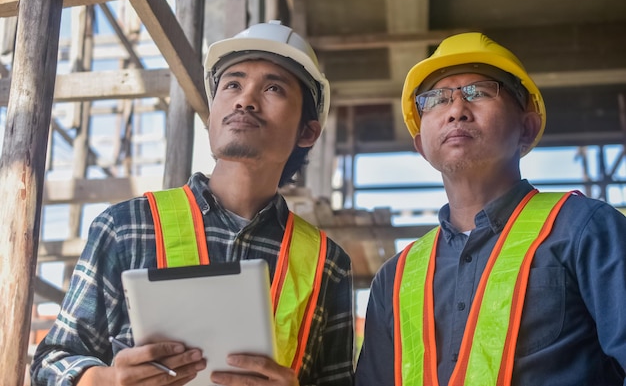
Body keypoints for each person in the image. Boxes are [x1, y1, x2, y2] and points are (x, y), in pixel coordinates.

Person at [31, 20, 354, 386]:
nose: (244, 99)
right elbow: (49, 364)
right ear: (213, 112)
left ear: (307, 131)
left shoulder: (328, 263)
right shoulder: (127, 227)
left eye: (274, 88)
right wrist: (107, 380)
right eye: (232, 83)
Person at [355, 32, 626, 386]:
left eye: (479, 92)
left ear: (526, 129)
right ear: (422, 145)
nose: (456, 110)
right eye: (436, 99)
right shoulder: (395, 277)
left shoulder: (585, 230)